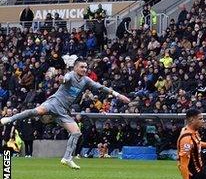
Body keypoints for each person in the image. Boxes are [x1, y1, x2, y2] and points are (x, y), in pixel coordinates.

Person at [1, 59, 131, 169]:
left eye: (86, 67)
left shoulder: (86, 80)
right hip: (54, 103)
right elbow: (65, 78)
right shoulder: (70, 75)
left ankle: (67, 158)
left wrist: (118, 95)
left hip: (63, 111)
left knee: (76, 132)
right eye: (81, 67)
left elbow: (101, 87)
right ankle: (10, 119)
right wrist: (62, 79)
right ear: (75, 68)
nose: (84, 69)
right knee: (36, 111)